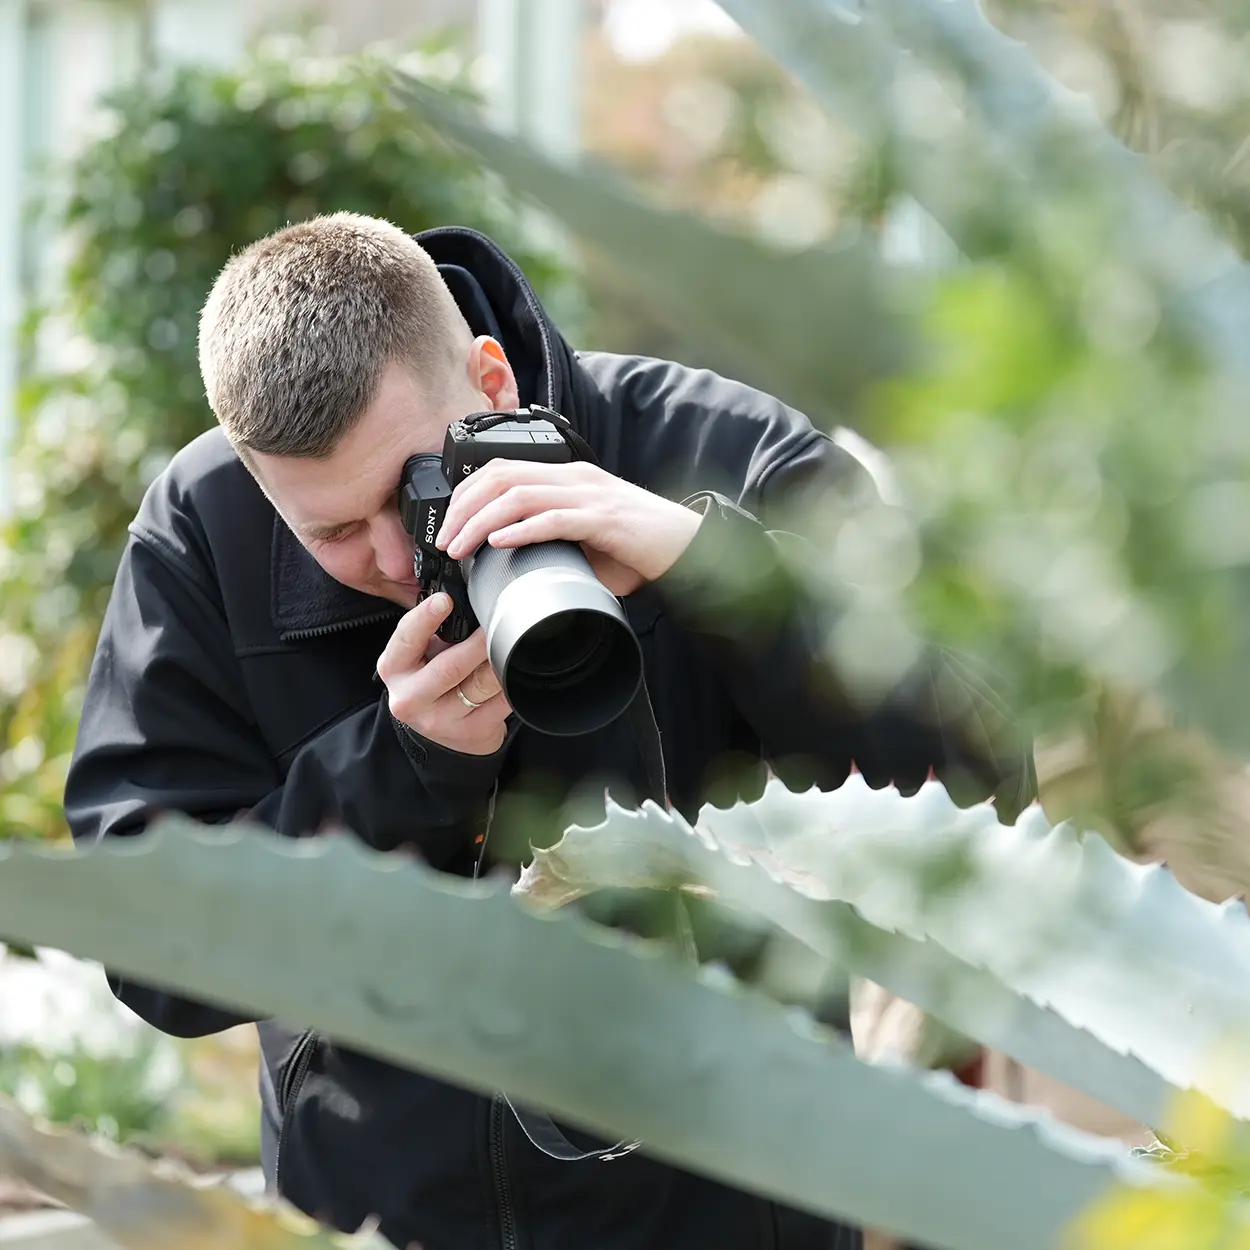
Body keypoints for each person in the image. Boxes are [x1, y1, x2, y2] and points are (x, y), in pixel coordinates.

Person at [63, 213, 1034, 1250]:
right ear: (254, 479)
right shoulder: (208, 524)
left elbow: (982, 788)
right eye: (333, 532)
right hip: (376, 1224)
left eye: (414, 489)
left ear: (491, 380)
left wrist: (715, 577)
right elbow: (151, 945)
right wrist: (406, 771)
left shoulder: (717, 449)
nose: (396, 560)